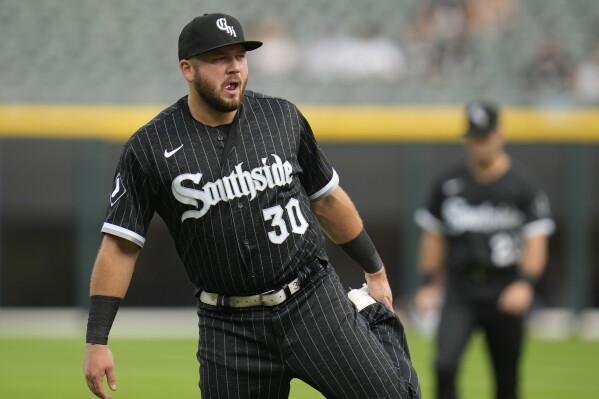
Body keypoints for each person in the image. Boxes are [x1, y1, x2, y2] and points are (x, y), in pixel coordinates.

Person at [82, 12, 420, 399]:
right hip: (229, 328)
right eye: (218, 58)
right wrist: (97, 340)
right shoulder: (150, 147)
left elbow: (326, 199)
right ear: (187, 69)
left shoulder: (281, 117)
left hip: (311, 302)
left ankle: (373, 323)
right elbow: (121, 245)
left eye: (240, 56)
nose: (234, 68)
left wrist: (374, 270)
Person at [413, 100, 555, 399]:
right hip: (461, 287)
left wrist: (525, 284)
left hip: (505, 287)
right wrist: (428, 283)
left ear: (500, 135)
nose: (479, 145)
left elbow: (536, 240)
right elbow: (433, 236)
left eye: (485, 137)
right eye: (474, 138)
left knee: (506, 379)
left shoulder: (522, 184)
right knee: (444, 365)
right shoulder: (450, 183)